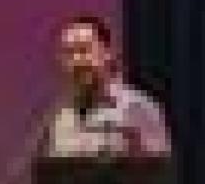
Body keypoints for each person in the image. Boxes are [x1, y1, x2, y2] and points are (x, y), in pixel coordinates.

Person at [37, 14, 172, 160]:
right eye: (69, 54)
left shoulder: (136, 107)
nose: (76, 61)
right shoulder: (58, 116)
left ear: (108, 53)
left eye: (84, 50)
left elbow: (158, 168)